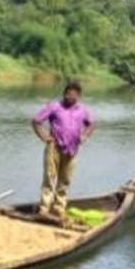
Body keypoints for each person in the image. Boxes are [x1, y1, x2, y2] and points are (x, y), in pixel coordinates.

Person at [31, 80, 95, 220]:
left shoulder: (82, 110)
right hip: (54, 147)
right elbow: (36, 121)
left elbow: (91, 124)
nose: (70, 97)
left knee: (65, 180)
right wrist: (44, 137)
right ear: (64, 93)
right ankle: (44, 209)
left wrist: (84, 136)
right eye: (68, 94)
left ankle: (59, 208)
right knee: (49, 177)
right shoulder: (54, 106)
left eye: (73, 95)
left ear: (79, 96)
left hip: (72, 150)